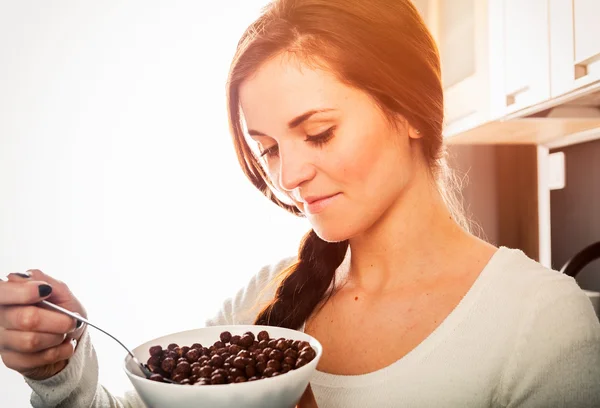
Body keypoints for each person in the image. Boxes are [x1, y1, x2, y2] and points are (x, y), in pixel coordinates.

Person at [1, 0, 599, 407]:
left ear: (410, 111)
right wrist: (57, 370)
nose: (289, 176)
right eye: (267, 149)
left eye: (318, 133)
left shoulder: (539, 326)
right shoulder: (265, 297)